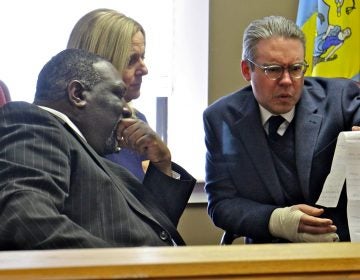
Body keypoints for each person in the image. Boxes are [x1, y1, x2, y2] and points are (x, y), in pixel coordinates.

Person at [0, 48, 196, 250]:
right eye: (118, 94)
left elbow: (158, 229)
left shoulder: (97, 157)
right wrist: (120, 267)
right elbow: (24, 217)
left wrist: (162, 163)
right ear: (77, 94)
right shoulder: (33, 124)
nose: (127, 108)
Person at [203, 15, 360, 243]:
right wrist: (277, 221)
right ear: (247, 70)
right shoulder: (222, 118)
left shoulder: (339, 98)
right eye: (274, 69)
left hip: (338, 247)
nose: (287, 80)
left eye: (296, 68)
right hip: (269, 251)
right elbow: (222, 204)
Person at [67, 8, 149, 181]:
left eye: (143, 57)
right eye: (131, 60)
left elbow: (155, 207)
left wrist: (163, 163)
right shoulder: (63, 133)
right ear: (99, 66)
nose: (144, 69)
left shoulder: (135, 122)